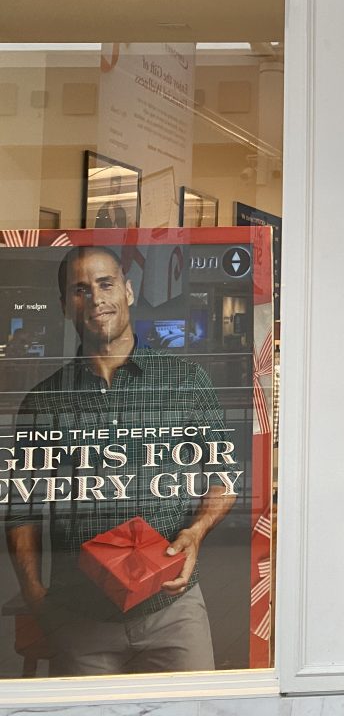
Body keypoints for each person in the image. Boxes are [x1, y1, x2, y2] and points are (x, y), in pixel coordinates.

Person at [4, 245, 234, 676]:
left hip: (173, 610)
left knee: (191, 707)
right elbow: (22, 507)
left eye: (106, 284)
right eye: (80, 290)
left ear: (128, 291)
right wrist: (34, 593)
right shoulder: (44, 400)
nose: (96, 298)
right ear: (65, 305)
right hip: (78, 617)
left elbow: (223, 479)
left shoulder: (185, 381)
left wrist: (197, 531)